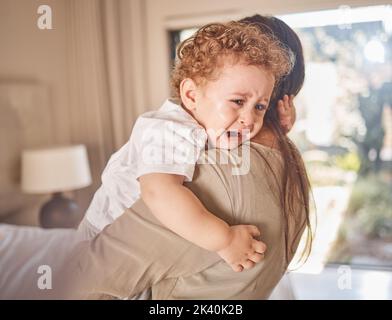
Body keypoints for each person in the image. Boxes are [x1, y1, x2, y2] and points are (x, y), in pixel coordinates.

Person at [49, 15, 312, 300]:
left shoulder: (215, 125)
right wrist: (223, 239)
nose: (248, 119)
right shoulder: (167, 129)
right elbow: (160, 193)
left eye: (261, 106)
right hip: (100, 234)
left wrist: (279, 129)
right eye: (238, 101)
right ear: (190, 95)